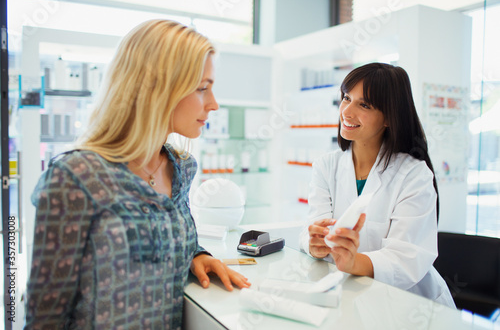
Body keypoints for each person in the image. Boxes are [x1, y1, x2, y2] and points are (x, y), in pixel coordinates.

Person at [25, 19, 250, 329]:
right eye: (202, 88)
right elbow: (45, 318)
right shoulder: (75, 178)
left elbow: (164, 236)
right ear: (157, 88)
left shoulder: (181, 167)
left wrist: (196, 256)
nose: (213, 103)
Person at [299, 62, 455, 307]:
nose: (346, 112)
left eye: (364, 105)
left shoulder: (413, 175)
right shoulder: (325, 166)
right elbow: (312, 226)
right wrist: (314, 243)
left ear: (389, 118)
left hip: (410, 305)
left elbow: (407, 258)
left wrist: (353, 262)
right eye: (346, 98)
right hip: (350, 295)